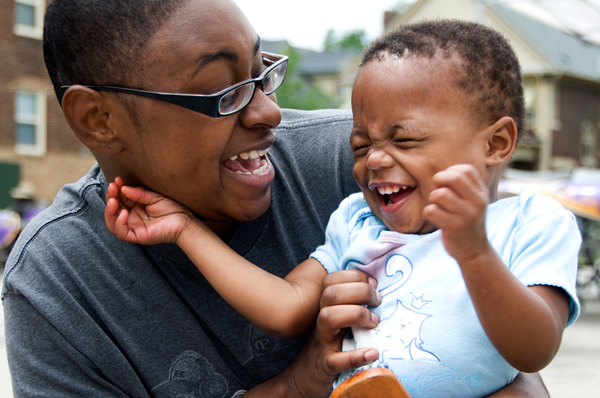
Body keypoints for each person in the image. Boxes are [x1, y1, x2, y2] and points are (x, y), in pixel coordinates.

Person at [1, 0, 548, 395]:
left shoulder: (362, 163)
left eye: (262, 72)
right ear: (99, 120)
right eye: (222, 91)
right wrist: (302, 382)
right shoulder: (55, 286)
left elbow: (506, 342)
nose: (267, 112)